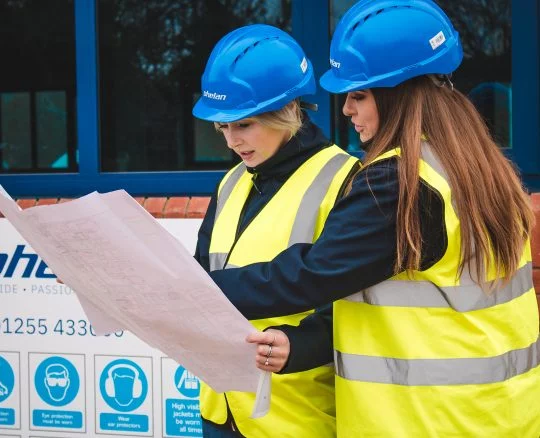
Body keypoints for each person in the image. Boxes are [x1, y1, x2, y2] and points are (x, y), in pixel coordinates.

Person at [208, 1, 540, 437]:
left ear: (397, 94)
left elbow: (310, 275)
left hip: (421, 421)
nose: (346, 109)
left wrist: (188, 291)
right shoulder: (477, 169)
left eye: (359, 95)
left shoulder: (400, 183)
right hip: (498, 414)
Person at [192, 24, 358, 437]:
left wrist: (302, 346)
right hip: (220, 410)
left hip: (296, 415)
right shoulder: (231, 182)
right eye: (223, 127)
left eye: (244, 125)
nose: (232, 141)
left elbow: (362, 306)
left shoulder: (347, 179)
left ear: (287, 112)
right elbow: (200, 281)